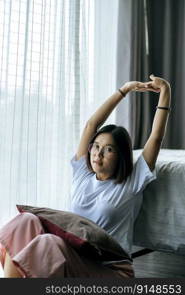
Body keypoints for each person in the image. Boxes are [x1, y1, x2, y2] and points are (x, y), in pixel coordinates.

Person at [0, 75, 171, 278]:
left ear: (122, 156)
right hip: (76, 255)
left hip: (110, 268)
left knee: (49, 243)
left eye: (108, 150)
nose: (98, 154)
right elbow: (91, 125)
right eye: (96, 147)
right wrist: (123, 90)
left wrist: (165, 92)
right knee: (26, 220)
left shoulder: (132, 182)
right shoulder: (83, 174)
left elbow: (156, 137)